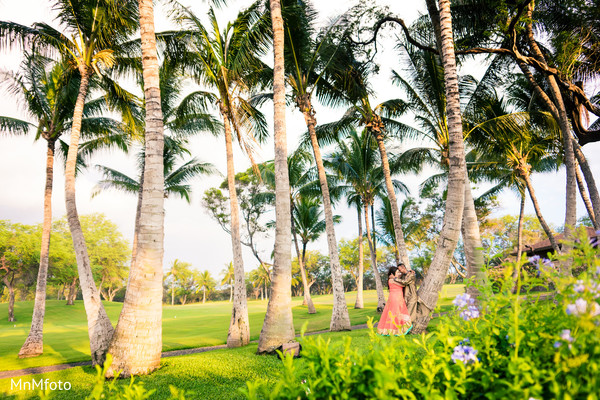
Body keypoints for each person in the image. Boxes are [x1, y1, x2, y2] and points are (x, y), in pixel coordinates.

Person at [377, 266, 412, 336]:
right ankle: (394, 330)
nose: (399, 273)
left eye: (399, 272)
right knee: (395, 313)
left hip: (398, 298)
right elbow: (403, 284)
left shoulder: (395, 279)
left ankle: (400, 328)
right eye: (397, 272)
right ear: (393, 274)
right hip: (395, 298)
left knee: (398, 312)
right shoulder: (391, 280)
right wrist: (395, 278)